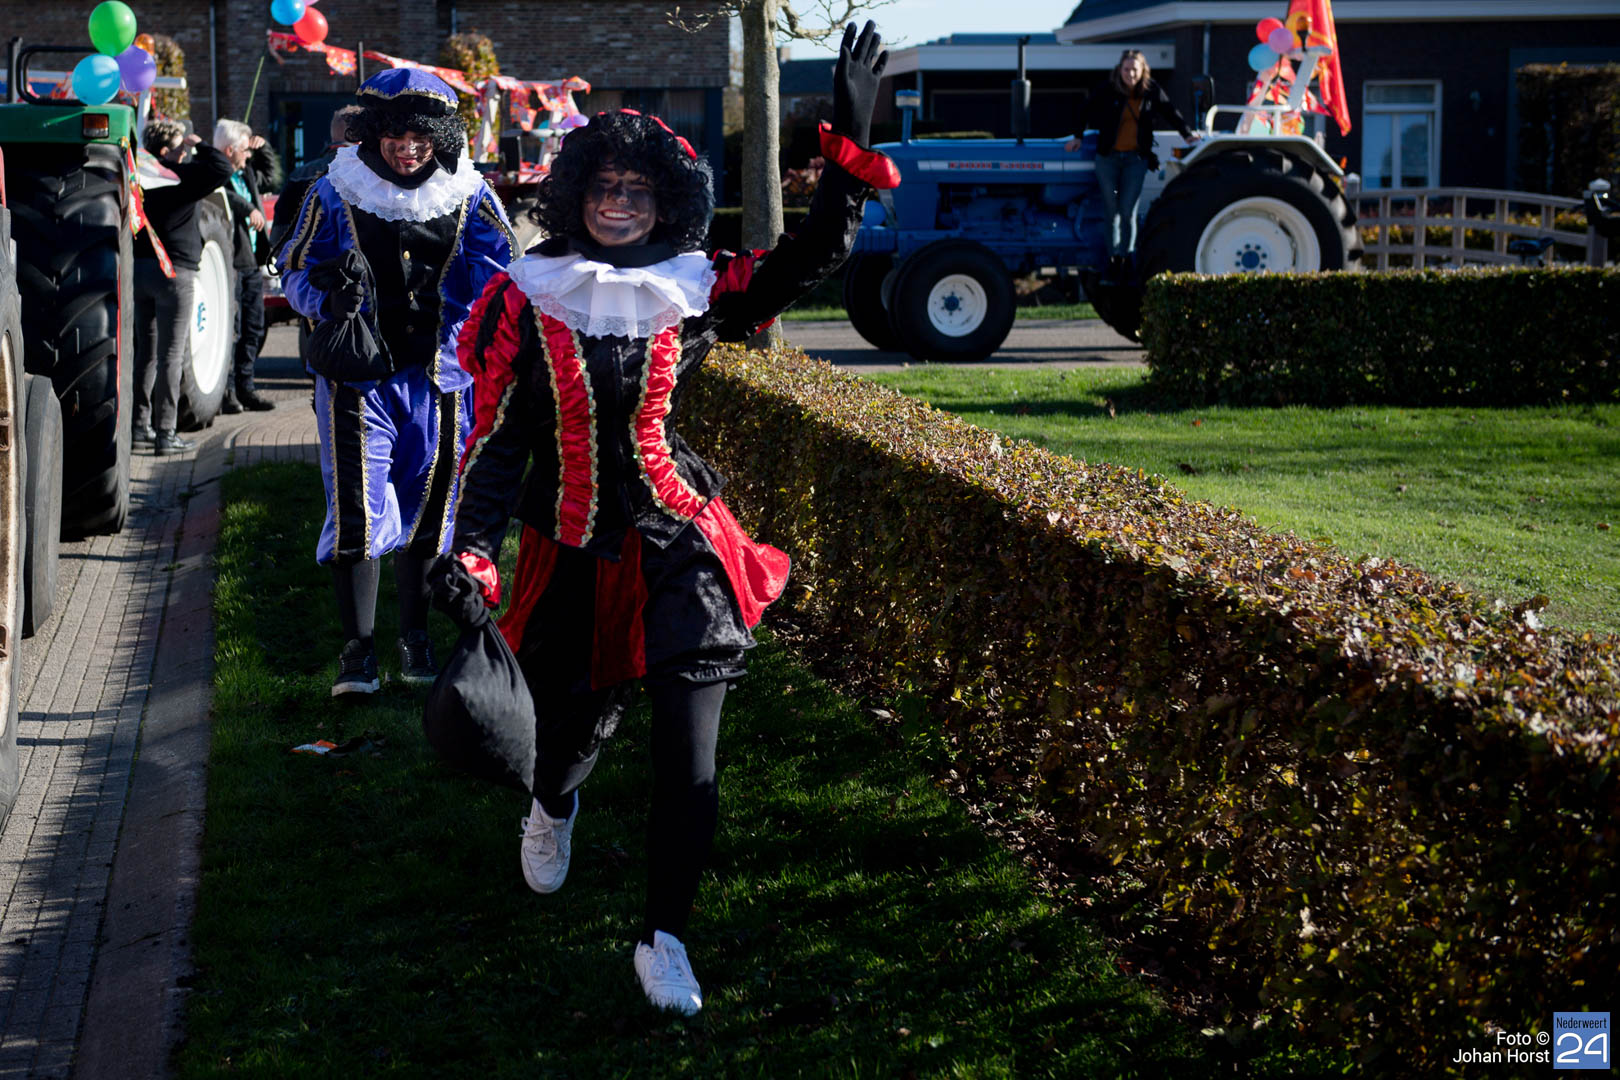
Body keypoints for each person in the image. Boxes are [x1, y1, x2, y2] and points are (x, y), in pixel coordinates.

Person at [439, 22, 898, 1016]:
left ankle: (664, 939)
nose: (617, 203)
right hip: (569, 545)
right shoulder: (529, 296)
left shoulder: (697, 286)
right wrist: (472, 545)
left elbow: (813, 253)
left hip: (681, 544)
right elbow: (500, 441)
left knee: (691, 757)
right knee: (568, 732)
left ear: (666, 202)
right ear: (576, 194)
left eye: (637, 191)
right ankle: (553, 802)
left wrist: (846, 150)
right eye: (603, 187)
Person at [278, 69, 516, 696]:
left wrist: (477, 312)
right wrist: (327, 298)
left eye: (421, 137)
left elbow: (505, 277)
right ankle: (358, 653)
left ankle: (415, 640)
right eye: (395, 135)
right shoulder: (335, 191)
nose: (407, 148)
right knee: (357, 506)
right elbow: (294, 269)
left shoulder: (470, 195)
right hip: (360, 378)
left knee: (431, 508)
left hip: (443, 378)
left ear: (441, 136)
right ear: (374, 132)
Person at [133, 118, 235, 454]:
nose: (184, 153)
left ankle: (139, 426)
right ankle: (166, 433)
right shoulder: (180, 177)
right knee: (171, 355)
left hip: (141, 271)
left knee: (146, 354)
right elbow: (222, 168)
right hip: (175, 275)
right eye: (179, 147)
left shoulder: (139, 180)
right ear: (166, 151)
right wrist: (200, 144)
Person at [1065, 49, 1198, 282]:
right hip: (1108, 159)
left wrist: (1187, 134)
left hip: (1135, 160)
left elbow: (1170, 111)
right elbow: (1085, 109)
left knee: (1128, 211)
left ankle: (1127, 258)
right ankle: (1114, 259)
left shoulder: (1151, 90)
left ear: (1143, 70)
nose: (1131, 74)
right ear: (1120, 70)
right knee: (1111, 211)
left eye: (1135, 69)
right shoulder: (1108, 89)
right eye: (1127, 69)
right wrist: (1077, 136)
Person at [215, 119, 282, 413]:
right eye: (244, 150)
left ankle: (246, 387)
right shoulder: (217, 173)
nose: (248, 155)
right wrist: (248, 208)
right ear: (229, 150)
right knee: (234, 329)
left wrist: (263, 148)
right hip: (233, 262)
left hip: (253, 262)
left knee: (254, 327)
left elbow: (272, 178)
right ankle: (228, 392)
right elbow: (222, 195)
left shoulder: (247, 174)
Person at [270, 105, 365, 259]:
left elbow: (278, 236)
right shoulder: (372, 177)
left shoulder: (299, 175)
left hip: (308, 267)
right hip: (357, 268)